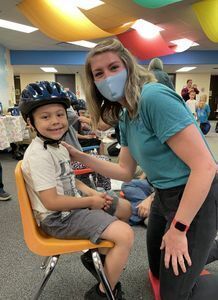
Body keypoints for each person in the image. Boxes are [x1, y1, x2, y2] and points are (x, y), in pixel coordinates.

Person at [62, 38, 218, 300]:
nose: (107, 77)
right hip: (163, 195)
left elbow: (205, 167)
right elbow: (125, 170)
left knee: (173, 294)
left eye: (114, 67)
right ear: (93, 83)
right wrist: (79, 156)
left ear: (129, 67)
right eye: (98, 73)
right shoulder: (125, 113)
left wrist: (179, 230)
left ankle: (201, 241)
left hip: (197, 195)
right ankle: (203, 246)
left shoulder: (153, 98)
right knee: (157, 269)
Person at [19, 81, 134, 300]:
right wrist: (90, 203)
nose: (55, 122)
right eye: (45, 117)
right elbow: (51, 202)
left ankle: (97, 258)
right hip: (57, 218)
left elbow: (71, 180)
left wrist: (91, 193)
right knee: (125, 235)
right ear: (30, 122)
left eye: (60, 115)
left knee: (125, 208)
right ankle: (101, 293)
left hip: (72, 209)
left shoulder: (59, 146)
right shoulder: (39, 155)